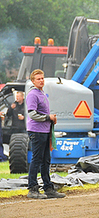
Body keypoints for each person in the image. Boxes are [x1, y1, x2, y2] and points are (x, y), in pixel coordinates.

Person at [26, 69, 65, 199]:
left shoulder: (41, 93)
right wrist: (48, 117)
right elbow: (32, 114)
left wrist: (50, 119)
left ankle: (48, 188)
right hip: (36, 131)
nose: (41, 80)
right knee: (36, 160)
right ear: (33, 81)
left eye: (42, 78)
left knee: (46, 161)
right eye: (38, 79)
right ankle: (32, 189)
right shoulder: (33, 94)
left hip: (44, 130)